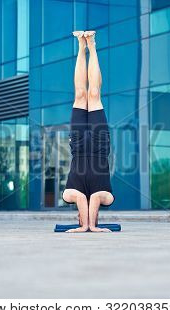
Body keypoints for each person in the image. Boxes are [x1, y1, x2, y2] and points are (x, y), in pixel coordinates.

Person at [62, 30, 115, 233]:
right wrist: (91, 226)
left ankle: (80, 47)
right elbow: (92, 198)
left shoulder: (70, 195)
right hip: (100, 146)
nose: (80, 214)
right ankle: (91, 46)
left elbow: (82, 199)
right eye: (82, 218)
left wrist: (84, 226)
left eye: (80, 218)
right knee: (94, 94)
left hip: (78, 145)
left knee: (80, 94)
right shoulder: (106, 197)